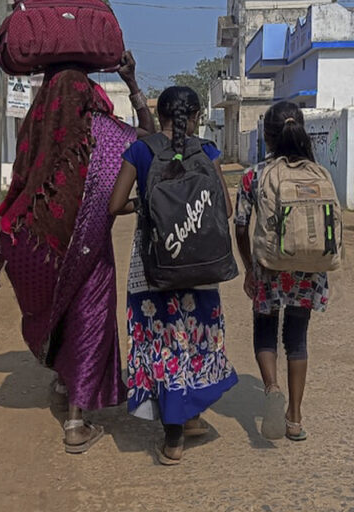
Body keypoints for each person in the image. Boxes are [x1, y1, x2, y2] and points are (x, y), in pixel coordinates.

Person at [0, 52, 156, 454]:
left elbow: (18, 192)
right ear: (91, 95)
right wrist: (132, 84)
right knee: (87, 321)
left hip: (36, 248)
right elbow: (150, 138)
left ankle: (64, 379)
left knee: (53, 309)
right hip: (88, 251)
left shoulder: (35, 134)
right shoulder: (107, 133)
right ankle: (76, 423)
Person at [108, 86, 238, 465]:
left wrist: (145, 205)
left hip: (153, 268)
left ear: (159, 112)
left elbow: (115, 205)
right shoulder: (208, 151)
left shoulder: (140, 150)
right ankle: (191, 415)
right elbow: (225, 210)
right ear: (195, 116)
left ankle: (174, 439)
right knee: (193, 341)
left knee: (164, 345)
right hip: (201, 265)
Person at [234, 101, 330, 442]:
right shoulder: (317, 172)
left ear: (267, 136)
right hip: (307, 267)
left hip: (269, 267)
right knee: (297, 340)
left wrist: (249, 267)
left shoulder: (254, 175)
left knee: (265, 333)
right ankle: (295, 418)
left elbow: (242, 226)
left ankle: (272, 388)